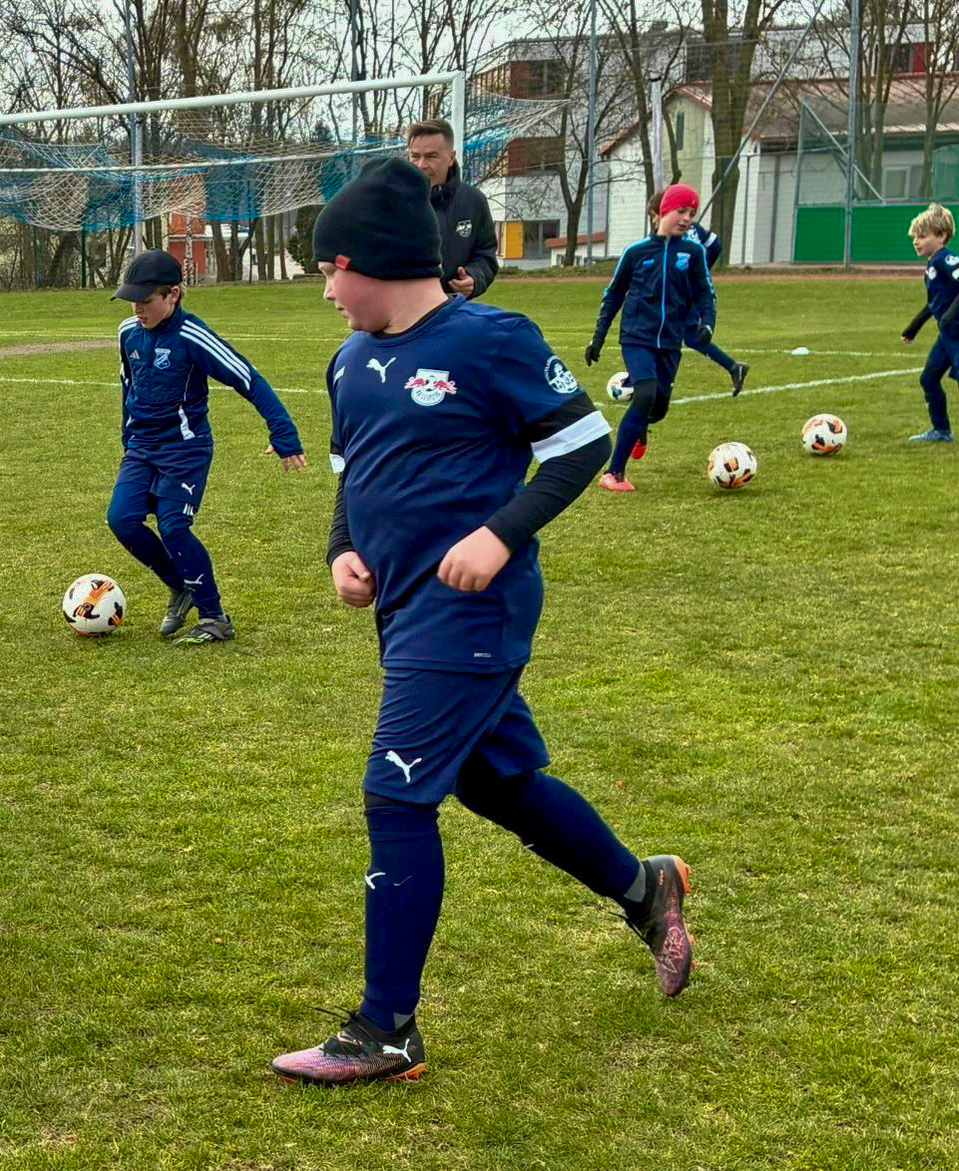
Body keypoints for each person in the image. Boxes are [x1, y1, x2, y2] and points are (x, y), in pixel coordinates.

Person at [270, 158, 692, 1087]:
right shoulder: (349, 361)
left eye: (327, 272)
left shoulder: (487, 339)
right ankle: (643, 886)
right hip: (408, 612)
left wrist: (501, 537)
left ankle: (386, 1028)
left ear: (368, 262)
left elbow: (582, 440)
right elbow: (354, 472)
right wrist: (343, 548)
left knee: (397, 793)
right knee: (499, 783)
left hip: (471, 614)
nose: (326, 292)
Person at [109, 249, 306, 645]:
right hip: (141, 448)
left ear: (174, 295)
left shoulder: (192, 337)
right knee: (122, 520)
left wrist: (283, 434)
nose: (137, 308)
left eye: (146, 301)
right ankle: (180, 585)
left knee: (174, 528)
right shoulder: (127, 332)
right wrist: (128, 437)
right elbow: (127, 388)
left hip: (185, 449)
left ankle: (214, 617)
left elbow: (248, 378)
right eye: (133, 300)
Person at [584, 183, 716, 493]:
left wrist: (707, 324)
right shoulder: (636, 252)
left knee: (658, 408)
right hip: (636, 338)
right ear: (663, 212)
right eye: (681, 211)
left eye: (692, 214)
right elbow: (613, 294)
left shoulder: (694, 253)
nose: (687, 219)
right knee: (644, 395)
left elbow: (706, 294)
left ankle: (641, 427)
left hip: (670, 343)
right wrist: (599, 337)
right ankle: (614, 473)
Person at [405, 119, 499, 299]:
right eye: (415, 156)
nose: (421, 165)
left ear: (451, 157)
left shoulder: (473, 201)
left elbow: (485, 255)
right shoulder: (392, 201)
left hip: (452, 311)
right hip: (401, 313)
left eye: (431, 156)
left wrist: (474, 278)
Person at [901, 202, 959, 444]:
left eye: (922, 236)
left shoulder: (948, 260)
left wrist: (949, 316)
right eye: (915, 236)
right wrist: (913, 328)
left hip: (957, 332)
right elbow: (932, 304)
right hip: (947, 336)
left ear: (942, 235)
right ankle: (941, 431)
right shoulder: (931, 268)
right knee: (928, 378)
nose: (916, 241)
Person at [679, 213, 750, 396]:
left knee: (677, 334)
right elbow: (715, 245)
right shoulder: (695, 227)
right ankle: (734, 367)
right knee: (689, 336)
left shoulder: (672, 230)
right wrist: (703, 268)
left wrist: (698, 270)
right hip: (690, 287)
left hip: (683, 290)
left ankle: (647, 383)